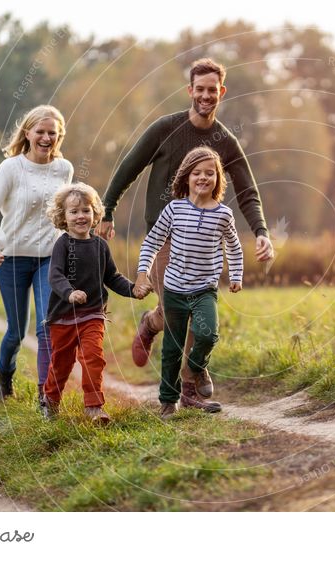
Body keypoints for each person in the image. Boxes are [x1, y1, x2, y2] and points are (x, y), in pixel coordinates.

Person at [99, 58, 272, 412]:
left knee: (192, 310)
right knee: (180, 308)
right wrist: (108, 209)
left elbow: (247, 191)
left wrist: (261, 231)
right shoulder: (165, 129)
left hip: (204, 241)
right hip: (165, 234)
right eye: (200, 89)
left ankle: (178, 364)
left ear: (221, 93)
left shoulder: (225, 140)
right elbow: (129, 167)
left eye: (213, 90)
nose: (206, 96)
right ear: (189, 91)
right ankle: (170, 355)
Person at [135, 147, 243, 420]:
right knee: (172, 347)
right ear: (186, 177)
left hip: (204, 289)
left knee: (208, 335)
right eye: (197, 173)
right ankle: (168, 401)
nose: (203, 178)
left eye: (210, 173)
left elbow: (234, 247)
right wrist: (142, 272)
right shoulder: (174, 209)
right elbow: (152, 241)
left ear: (218, 179)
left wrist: (236, 275)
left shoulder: (223, 214)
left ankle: (196, 369)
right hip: (174, 290)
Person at [0, 104, 74, 406]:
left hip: (50, 257)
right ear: (28, 133)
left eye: (52, 133)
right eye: (41, 131)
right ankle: (4, 373)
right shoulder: (11, 168)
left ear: (59, 136)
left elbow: (65, 213)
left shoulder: (64, 169)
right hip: (11, 258)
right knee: (16, 332)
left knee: (47, 325)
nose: (46, 138)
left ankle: (46, 395)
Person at [41, 183, 147, 423]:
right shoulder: (62, 244)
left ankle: (94, 406)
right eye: (74, 211)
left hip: (92, 314)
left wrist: (133, 289)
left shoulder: (100, 246)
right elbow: (55, 276)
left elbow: (112, 277)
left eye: (86, 210)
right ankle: (50, 399)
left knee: (93, 356)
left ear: (95, 213)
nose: (81, 216)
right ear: (63, 217)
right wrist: (69, 293)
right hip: (63, 316)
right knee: (62, 363)